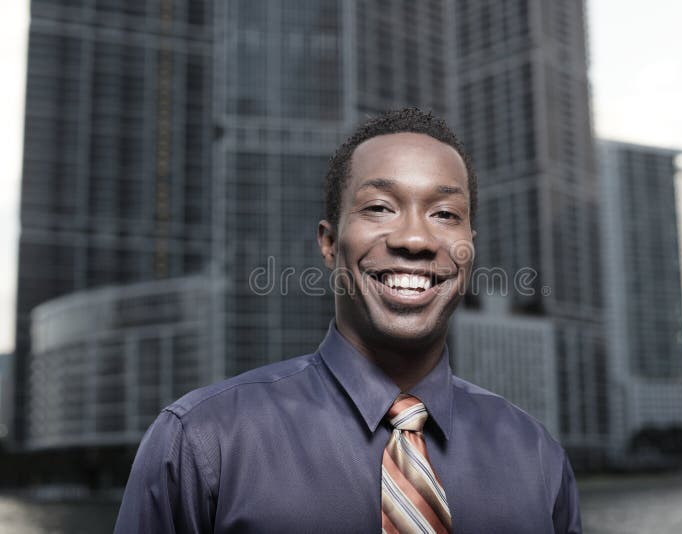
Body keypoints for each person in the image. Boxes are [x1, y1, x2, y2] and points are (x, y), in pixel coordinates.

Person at [114, 108, 582, 533]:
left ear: (470, 246)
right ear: (329, 242)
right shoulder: (201, 442)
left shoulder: (538, 457)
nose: (415, 238)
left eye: (445, 213)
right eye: (379, 207)